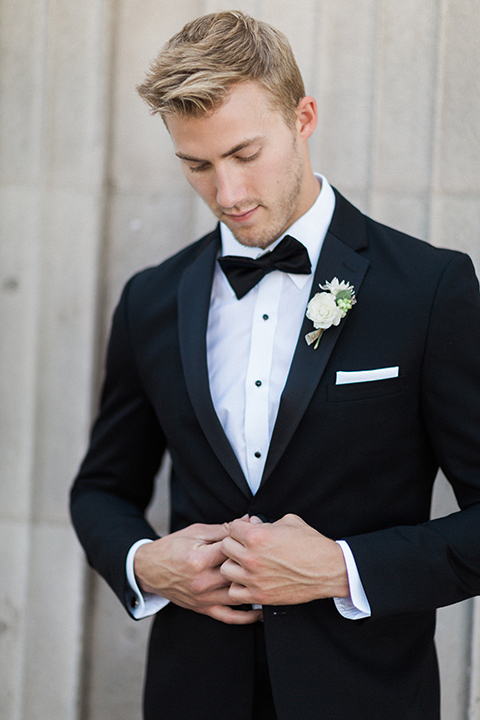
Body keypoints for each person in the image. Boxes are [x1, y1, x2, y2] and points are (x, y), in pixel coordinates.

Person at [70, 10, 480, 720]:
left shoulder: (430, 289)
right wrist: (146, 563)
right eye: (197, 165)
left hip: (368, 697)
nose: (226, 194)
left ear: (304, 117)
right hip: (191, 697)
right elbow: (101, 489)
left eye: (244, 153)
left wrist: (340, 569)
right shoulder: (149, 300)